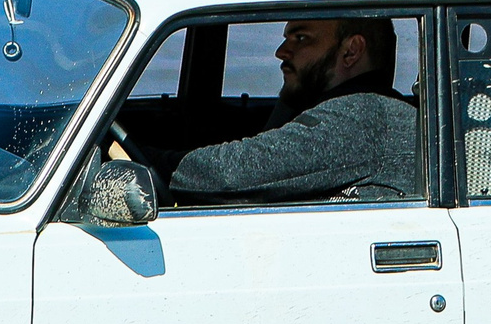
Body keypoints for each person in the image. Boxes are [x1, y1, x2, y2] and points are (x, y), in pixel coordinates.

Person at [164, 20, 416, 204]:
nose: (280, 52)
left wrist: (145, 163)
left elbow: (231, 175)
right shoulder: (360, 110)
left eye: (301, 38)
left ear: (351, 51)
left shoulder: (361, 115)